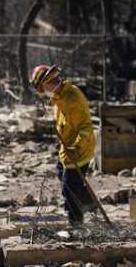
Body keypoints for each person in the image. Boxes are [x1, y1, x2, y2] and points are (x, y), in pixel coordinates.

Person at [30, 64, 96, 225]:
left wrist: (77, 147)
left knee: (69, 189)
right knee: (62, 172)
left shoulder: (72, 99)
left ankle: (75, 223)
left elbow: (86, 128)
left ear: (49, 83)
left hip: (79, 150)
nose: (43, 92)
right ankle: (89, 203)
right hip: (66, 149)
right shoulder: (59, 96)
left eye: (43, 88)